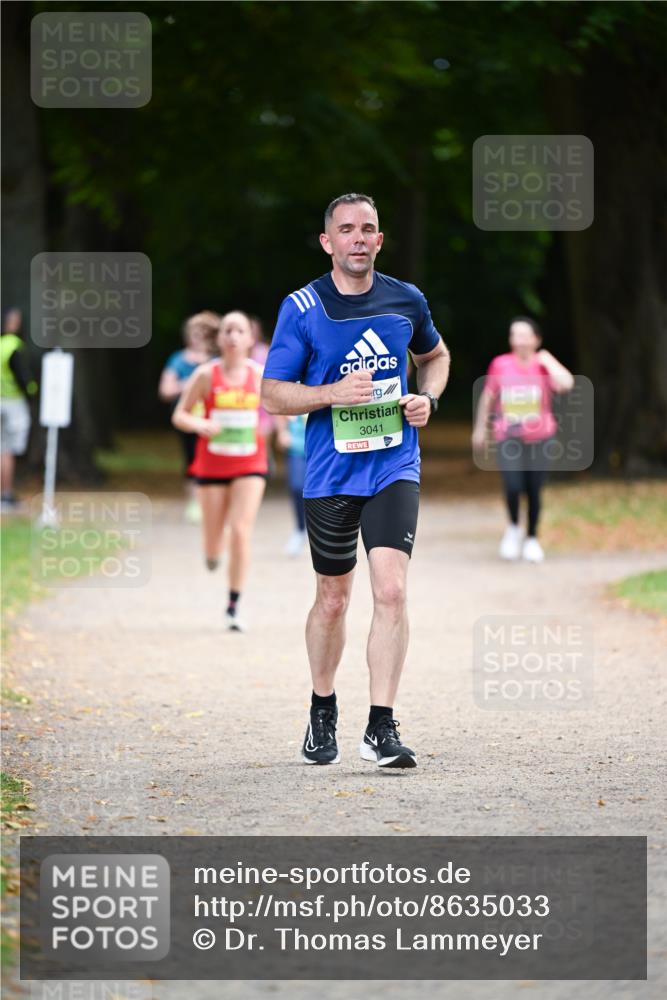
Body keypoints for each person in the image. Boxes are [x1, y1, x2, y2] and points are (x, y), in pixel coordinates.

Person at [262, 193, 450, 768]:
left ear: (380, 239)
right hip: (330, 473)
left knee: (391, 591)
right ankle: (322, 708)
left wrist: (427, 399)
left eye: (368, 228)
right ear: (328, 242)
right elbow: (271, 395)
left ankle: (381, 726)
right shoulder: (302, 307)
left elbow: (436, 357)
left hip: (394, 464)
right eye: (346, 229)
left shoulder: (406, 299)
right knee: (333, 598)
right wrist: (331, 394)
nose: (358, 238)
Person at [173, 310, 267, 631]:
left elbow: (282, 407)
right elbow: (180, 415)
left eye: (240, 330)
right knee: (214, 541)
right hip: (212, 465)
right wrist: (199, 424)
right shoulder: (205, 375)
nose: (233, 336)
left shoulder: (260, 375)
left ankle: (233, 605)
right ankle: (212, 552)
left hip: (250, 464)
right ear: (219, 338)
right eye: (227, 330)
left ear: (250, 339)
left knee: (240, 530)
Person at [472, 316, 574, 563]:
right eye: (514, 335)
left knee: (534, 489)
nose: (519, 340)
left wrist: (547, 359)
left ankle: (531, 539)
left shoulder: (543, 365)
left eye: (524, 335)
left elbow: (566, 384)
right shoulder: (500, 364)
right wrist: (480, 429)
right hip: (508, 436)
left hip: (541, 436)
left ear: (536, 339)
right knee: (513, 485)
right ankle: (513, 528)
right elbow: (488, 396)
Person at [158, 311, 219, 523]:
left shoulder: (217, 360)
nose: (199, 337)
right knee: (192, 457)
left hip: (215, 417)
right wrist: (190, 383)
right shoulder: (178, 360)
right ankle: (194, 501)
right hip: (189, 418)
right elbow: (166, 390)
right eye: (195, 332)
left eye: (204, 332)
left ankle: (214, 500)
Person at [1, 308, 37, 511]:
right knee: (8, 450)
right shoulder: (14, 346)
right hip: (13, 403)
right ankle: (6, 494)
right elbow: (23, 377)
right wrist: (33, 392)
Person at [276, 413, 307, 556]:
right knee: (297, 488)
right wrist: (282, 431)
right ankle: (300, 530)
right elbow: (281, 409)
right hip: (297, 445)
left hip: (322, 446)